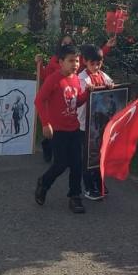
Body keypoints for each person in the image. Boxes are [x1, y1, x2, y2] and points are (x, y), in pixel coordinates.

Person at [32, 44, 89, 214]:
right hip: (58, 130)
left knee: (77, 164)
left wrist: (88, 94)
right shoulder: (53, 79)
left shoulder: (76, 80)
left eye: (77, 61)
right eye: (71, 61)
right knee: (61, 164)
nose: (75, 64)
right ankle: (44, 182)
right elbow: (39, 101)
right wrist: (46, 123)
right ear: (61, 62)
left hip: (74, 128)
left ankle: (75, 196)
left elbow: (76, 102)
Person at [78, 43, 115, 201]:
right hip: (85, 124)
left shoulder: (103, 75)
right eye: (92, 63)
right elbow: (80, 96)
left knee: (100, 155)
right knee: (88, 156)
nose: (95, 66)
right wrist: (88, 90)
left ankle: (99, 182)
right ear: (85, 61)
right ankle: (88, 186)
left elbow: (112, 86)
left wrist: (110, 86)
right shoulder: (82, 78)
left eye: (98, 63)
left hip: (100, 124)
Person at [34, 34, 76, 163]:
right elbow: (45, 75)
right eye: (64, 43)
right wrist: (39, 64)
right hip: (54, 98)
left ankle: (65, 157)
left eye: (69, 43)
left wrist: (107, 47)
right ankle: (48, 146)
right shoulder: (55, 59)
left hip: (69, 97)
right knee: (53, 126)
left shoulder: (75, 61)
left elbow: (93, 61)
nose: (67, 45)